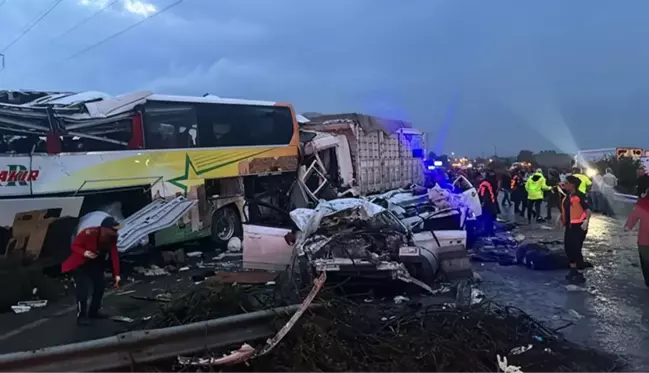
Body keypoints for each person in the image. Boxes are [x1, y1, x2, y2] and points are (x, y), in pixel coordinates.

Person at [62, 217, 121, 326]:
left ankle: (94, 311)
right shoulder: (89, 232)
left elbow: (114, 255)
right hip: (81, 263)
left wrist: (117, 274)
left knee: (100, 285)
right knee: (83, 290)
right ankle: (82, 316)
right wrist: (85, 252)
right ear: (103, 229)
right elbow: (75, 245)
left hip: (96, 263)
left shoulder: (112, 237)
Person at [559, 175, 591, 284]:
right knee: (568, 248)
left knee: (576, 249)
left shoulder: (579, 196)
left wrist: (586, 221)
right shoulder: (567, 197)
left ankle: (580, 273)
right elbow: (567, 210)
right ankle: (573, 269)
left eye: (566, 183)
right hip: (569, 226)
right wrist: (561, 217)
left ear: (572, 184)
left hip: (579, 226)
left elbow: (587, 210)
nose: (564, 185)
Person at [624, 187, 649, 287]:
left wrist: (628, 226)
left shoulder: (642, 203)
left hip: (645, 239)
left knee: (645, 261)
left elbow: (634, 215)